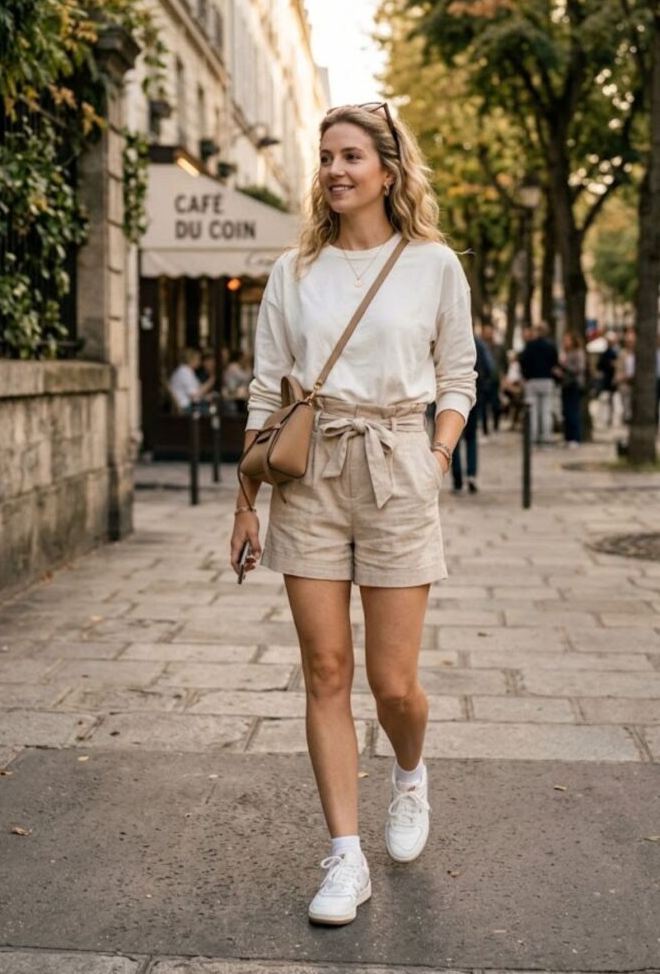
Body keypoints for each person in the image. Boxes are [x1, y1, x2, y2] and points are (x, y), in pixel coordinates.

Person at [229, 103, 476, 926]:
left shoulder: (433, 264)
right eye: (326, 157)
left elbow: (458, 376)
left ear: (389, 169)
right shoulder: (291, 271)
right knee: (326, 670)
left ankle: (409, 776)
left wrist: (435, 456)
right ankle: (343, 856)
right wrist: (245, 502)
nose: (335, 170)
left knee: (391, 681)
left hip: (398, 467)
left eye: (351, 157)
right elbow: (266, 391)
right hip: (310, 476)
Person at [451, 335, 487, 493]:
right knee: (471, 438)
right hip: (472, 395)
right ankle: (471, 475)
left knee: (454, 439)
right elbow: (488, 369)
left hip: (451, 398)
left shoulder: (449, 341)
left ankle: (458, 479)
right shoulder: (478, 344)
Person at [518, 321, 559, 444]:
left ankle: (533, 437)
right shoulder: (551, 346)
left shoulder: (529, 346)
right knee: (546, 410)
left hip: (532, 380)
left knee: (533, 411)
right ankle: (546, 437)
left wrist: (526, 374)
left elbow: (522, 361)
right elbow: (554, 363)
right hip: (547, 380)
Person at [555, 331, 586, 446]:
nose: (565, 342)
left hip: (574, 385)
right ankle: (568, 438)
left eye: (567, 340)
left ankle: (575, 438)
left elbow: (579, 368)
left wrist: (564, 366)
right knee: (566, 412)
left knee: (573, 411)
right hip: (566, 384)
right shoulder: (567, 353)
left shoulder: (578, 353)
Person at [479, 323, 506, 433]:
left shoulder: (499, 348)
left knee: (496, 404)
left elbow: (504, 364)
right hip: (483, 380)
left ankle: (496, 426)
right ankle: (485, 429)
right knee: (484, 406)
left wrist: (503, 377)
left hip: (495, 380)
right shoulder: (480, 347)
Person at [167, 347, 203, 412]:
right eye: (198, 359)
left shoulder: (186, 370)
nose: (199, 362)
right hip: (186, 407)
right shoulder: (184, 371)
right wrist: (211, 381)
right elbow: (194, 395)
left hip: (189, 406)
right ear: (191, 359)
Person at [223, 349, 253, 414]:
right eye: (245, 357)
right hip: (232, 396)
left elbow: (249, 384)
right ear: (240, 358)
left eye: (248, 358)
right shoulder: (233, 368)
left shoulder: (249, 369)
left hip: (245, 397)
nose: (247, 359)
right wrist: (238, 391)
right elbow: (231, 387)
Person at [616, 328, 635, 424]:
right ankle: (627, 420)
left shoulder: (638, 353)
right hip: (625, 382)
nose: (630, 343)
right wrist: (622, 377)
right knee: (626, 406)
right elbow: (618, 368)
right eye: (628, 341)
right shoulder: (622, 353)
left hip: (636, 382)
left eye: (631, 341)